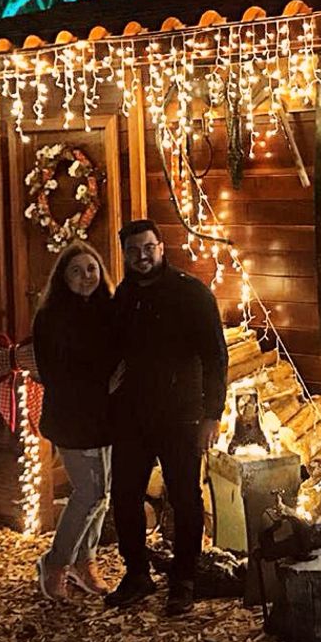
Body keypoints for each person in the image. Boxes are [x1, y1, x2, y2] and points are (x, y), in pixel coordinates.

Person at [105, 218, 228, 617]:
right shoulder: (121, 297)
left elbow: (215, 357)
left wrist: (212, 415)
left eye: (148, 248)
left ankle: (184, 580)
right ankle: (137, 573)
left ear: (161, 247)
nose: (142, 257)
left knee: (185, 499)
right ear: (124, 254)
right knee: (123, 496)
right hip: (132, 416)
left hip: (180, 415)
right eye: (133, 251)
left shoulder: (191, 294)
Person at [32, 242, 117, 602]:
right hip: (72, 416)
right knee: (90, 491)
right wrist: (103, 380)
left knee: (103, 494)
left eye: (92, 269)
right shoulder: (52, 317)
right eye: (77, 271)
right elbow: (57, 372)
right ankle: (55, 562)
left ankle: (85, 560)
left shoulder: (107, 310)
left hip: (105, 417)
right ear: (63, 278)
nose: (86, 277)